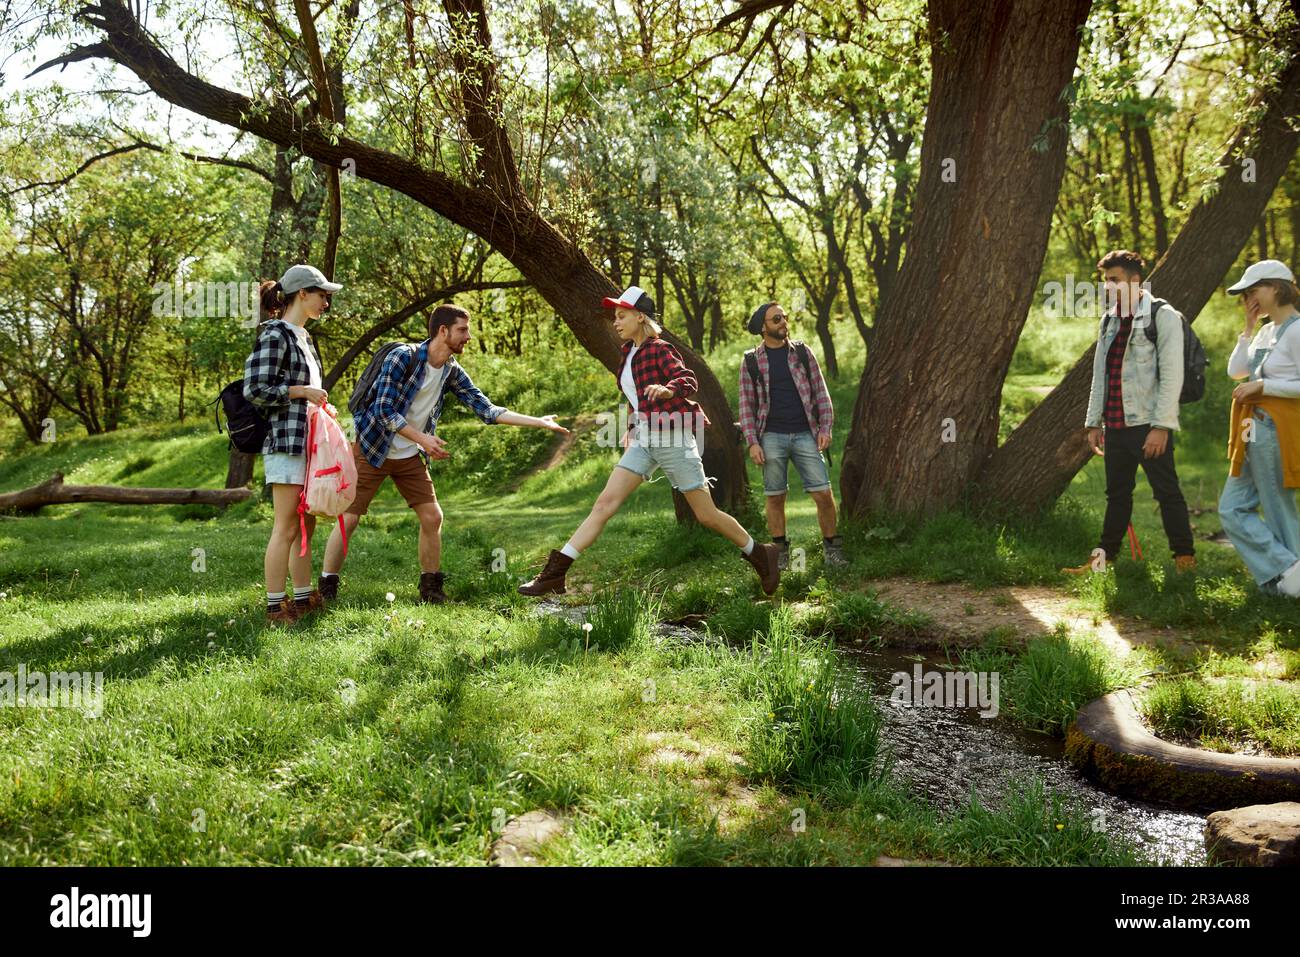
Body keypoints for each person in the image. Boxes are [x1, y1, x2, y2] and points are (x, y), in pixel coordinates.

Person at [517, 286, 781, 596]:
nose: (615, 322)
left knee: (706, 515)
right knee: (604, 504)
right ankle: (556, 572)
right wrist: (632, 425)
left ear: (640, 316)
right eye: (615, 317)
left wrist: (669, 389)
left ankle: (761, 553)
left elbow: (687, 379)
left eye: (621, 315)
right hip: (644, 439)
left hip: (674, 438)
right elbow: (635, 396)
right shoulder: (627, 353)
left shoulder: (659, 349)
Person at [319, 303, 568, 604]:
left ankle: (431, 589)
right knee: (350, 518)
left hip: (409, 455)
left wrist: (538, 422)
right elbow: (383, 410)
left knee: (432, 516)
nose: (468, 337)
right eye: (463, 330)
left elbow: (486, 410)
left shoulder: (451, 370)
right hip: (373, 448)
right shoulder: (403, 358)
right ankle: (327, 587)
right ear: (443, 330)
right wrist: (423, 438)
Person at [1063, 249, 1197, 575]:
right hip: (1116, 424)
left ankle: (1185, 559)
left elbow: (1172, 375)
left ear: (1135, 281)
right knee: (1117, 495)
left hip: (1148, 423)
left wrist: (1162, 426)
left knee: (1167, 492)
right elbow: (1100, 374)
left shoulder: (1162, 316)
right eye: (1105, 280)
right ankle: (1102, 561)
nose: (1107, 286)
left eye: (1114, 280)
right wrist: (1094, 422)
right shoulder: (1109, 319)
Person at [244, 264, 339, 624]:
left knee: (306, 525)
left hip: (310, 443)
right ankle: (274, 606)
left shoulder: (304, 338)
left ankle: (302, 598)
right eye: (322, 295)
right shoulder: (275, 334)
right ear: (302, 293)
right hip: (285, 442)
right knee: (285, 525)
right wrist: (302, 392)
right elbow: (254, 389)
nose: (326, 302)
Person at [739, 301, 844, 568]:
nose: (783, 322)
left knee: (823, 494)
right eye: (776, 319)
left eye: (784, 317)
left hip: (805, 432)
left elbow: (821, 391)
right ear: (763, 327)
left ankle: (833, 550)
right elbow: (746, 406)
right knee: (775, 496)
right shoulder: (751, 361)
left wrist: (825, 428)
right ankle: (780, 554)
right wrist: (753, 442)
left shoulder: (802, 353)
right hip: (770, 435)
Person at [1219, 259, 1300, 597]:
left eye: (1254, 290)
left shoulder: (1297, 330)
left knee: (1278, 505)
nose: (1249, 298)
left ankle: (1284, 585)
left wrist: (1264, 387)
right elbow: (1237, 372)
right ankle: (1289, 573)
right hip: (1252, 429)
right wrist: (1248, 327)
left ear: (1276, 288)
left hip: (1277, 428)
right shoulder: (1266, 331)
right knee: (1231, 508)